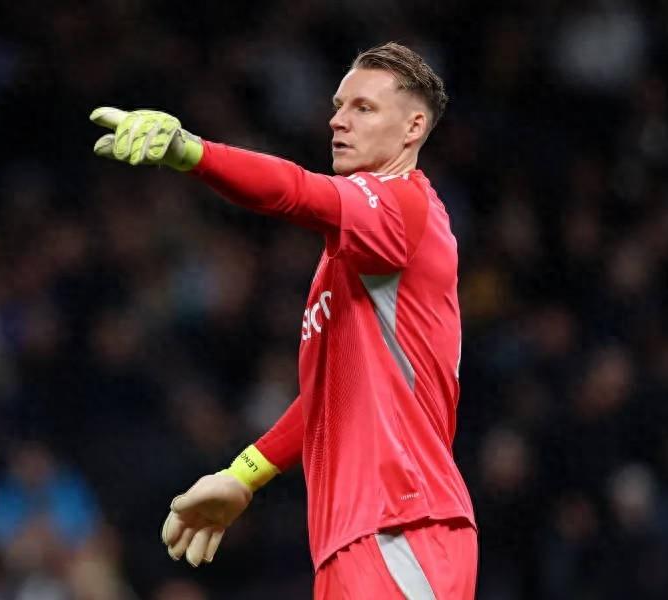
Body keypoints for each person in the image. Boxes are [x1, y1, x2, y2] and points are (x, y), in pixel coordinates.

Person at [89, 42, 478, 599]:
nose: (338, 120)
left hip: (404, 522)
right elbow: (329, 396)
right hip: (351, 538)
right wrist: (243, 474)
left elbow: (296, 191)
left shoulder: (403, 206)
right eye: (338, 106)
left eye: (363, 108)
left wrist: (191, 152)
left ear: (413, 128)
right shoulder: (351, 257)